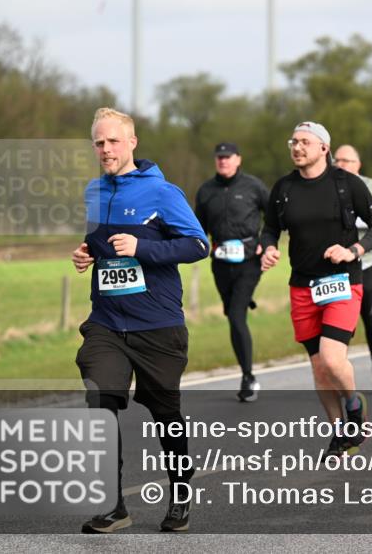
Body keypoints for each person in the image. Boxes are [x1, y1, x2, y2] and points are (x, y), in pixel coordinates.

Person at [71, 108, 209, 533]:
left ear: (131, 143)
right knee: (100, 400)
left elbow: (198, 245)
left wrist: (141, 248)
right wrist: (86, 253)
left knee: (166, 414)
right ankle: (114, 507)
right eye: (99, 142)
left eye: (113, 141)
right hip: (107, 322)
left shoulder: (163, 192)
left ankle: (180, 493)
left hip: (157, 324)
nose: (105, 149)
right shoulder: (94, 191)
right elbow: (99, 242)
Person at [260, 122, 372, 455]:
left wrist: (353, 251)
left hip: (342, 281)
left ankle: (354, 405)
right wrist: (269, 247)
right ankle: (339, 433)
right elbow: (270, 228)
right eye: (294, 141)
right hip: (303, 286)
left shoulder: (347, 184)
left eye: (305, 141)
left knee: (332, 360)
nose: (297, 147)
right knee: (319, 368)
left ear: (323, 148)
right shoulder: (284, 188)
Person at [194, 142, 270, 401]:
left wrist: (266, 243)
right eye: (219, 157)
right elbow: (198, 228)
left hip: (249, 261)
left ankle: (248, 378)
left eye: (228, 157)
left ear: (238, 159)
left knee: (237, 316)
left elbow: (274, 218)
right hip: (220, 263)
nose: (223, 161)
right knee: (232, 315)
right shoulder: (206, 191)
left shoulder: (254, 186)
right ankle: (247, 372)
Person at [333, 144, 372, 393]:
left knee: (369, 318)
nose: (340, 164)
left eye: (346, 161)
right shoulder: (327, 185)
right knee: (338, 324)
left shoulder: (371, 185)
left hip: (367, 262)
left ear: (358, 165)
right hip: (335, 266)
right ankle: (339, 376)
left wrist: (353, 221)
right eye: (337, 160)